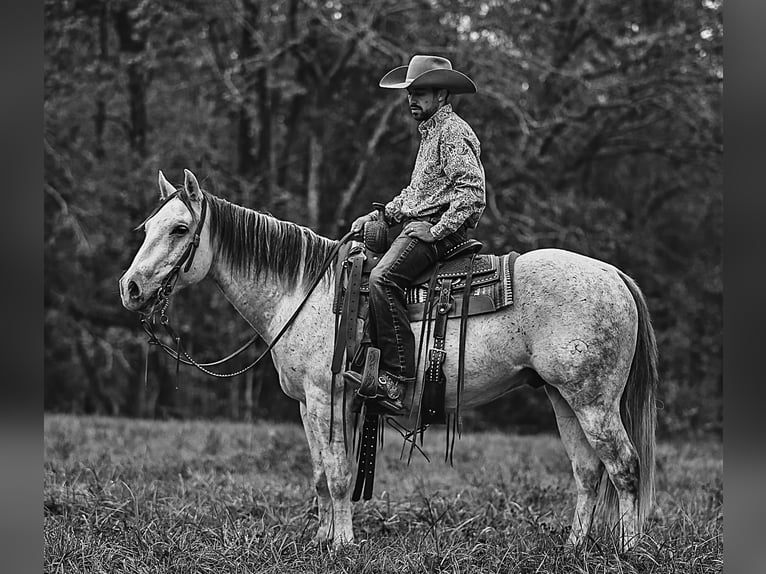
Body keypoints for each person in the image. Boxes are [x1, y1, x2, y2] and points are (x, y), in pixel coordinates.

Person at [344, 54, 486, 414]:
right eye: (410, 92)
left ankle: (396, 379)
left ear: (442, 95)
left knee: (381, 279)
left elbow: (471, 193)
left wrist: (436, 230)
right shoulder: (431, 134)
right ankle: (368, 363)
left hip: (441, 231)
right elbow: (417, 195)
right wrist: (381, 215)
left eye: (420, 92)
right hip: (422, 224)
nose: (412, 99)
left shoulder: (452, 132)